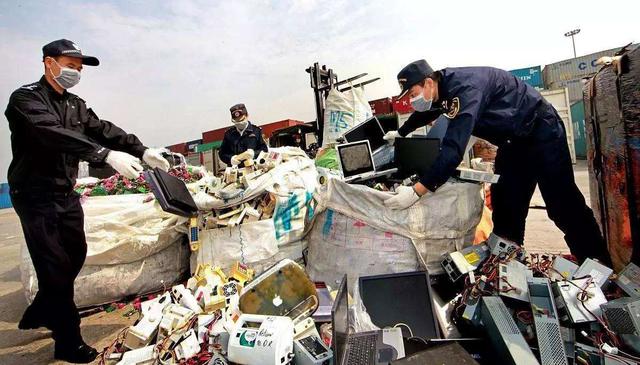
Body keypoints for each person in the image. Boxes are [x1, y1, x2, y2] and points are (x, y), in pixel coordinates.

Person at [4, 39, 170, 363]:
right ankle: (68, 341)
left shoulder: (76, 105)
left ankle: (43, 307)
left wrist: (142, 150)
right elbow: (50, 133)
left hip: (64, 193)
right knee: (54, 266)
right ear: (49, 63)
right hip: (34, 196)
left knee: (75, 254)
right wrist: (103, 154)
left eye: (79, 69)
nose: (75, 73)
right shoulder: (25, 99)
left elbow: (104, 129)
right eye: (70, 65)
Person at [383, 59, 610, 265]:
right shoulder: (443, 90)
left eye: (413, 94)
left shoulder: (466, 89)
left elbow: (453, 150)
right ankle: (507, 262)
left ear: (428, 82)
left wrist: (417, 191)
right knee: (505, 202)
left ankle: (597, 263)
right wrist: (401, 132)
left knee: (562, 203)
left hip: (541, 130)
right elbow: (426, 113)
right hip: (514, 142)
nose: (412, 101)